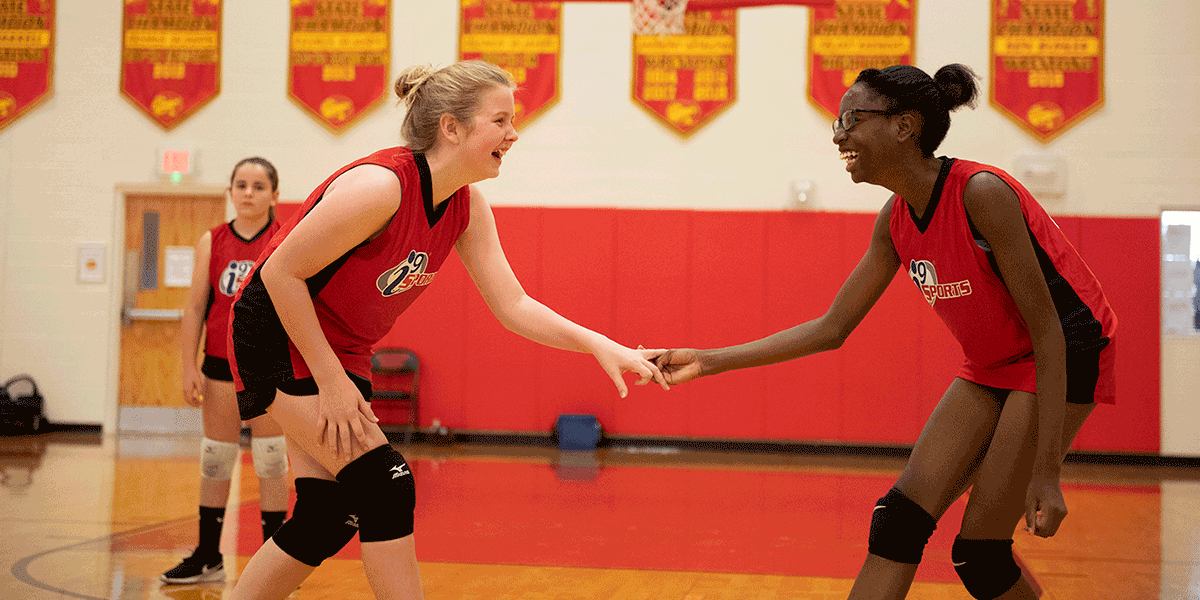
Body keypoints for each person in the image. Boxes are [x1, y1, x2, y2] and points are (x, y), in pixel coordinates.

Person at [654, 64, 1117, 600]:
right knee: (897, 520)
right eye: (837, 121)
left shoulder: (981, 193)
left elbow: (1049, 330)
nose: (839, 134)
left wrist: (1046, 473)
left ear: (905, 126)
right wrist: (707, 360)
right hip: (993, 363)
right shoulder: (895, 220)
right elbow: (831, 328)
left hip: (1064, 349)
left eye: (853, 118)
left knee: (980, 555)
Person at [223, 60, 668, 600]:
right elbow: (278, 274)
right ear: (451, 128)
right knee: (386, 486)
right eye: (500, 120)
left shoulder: (467, 207)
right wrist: (332, 382)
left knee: (328, 514)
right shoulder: (381, 188)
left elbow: (514, 304)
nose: (514, 133)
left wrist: (600, 343)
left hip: (341, 348)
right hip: (276, 335)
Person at [162, 158, 290, 585]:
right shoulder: (212, 241)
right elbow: (196, 306)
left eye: (258, 186)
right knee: (216, 458)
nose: (248, 192)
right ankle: (207, 555)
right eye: (240, 184)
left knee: (272, 460)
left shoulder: (286, 239)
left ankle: (274, 561)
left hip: (269, 368)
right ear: (230, 191)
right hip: (218, 366)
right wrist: (187, 367)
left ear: (275, 194)